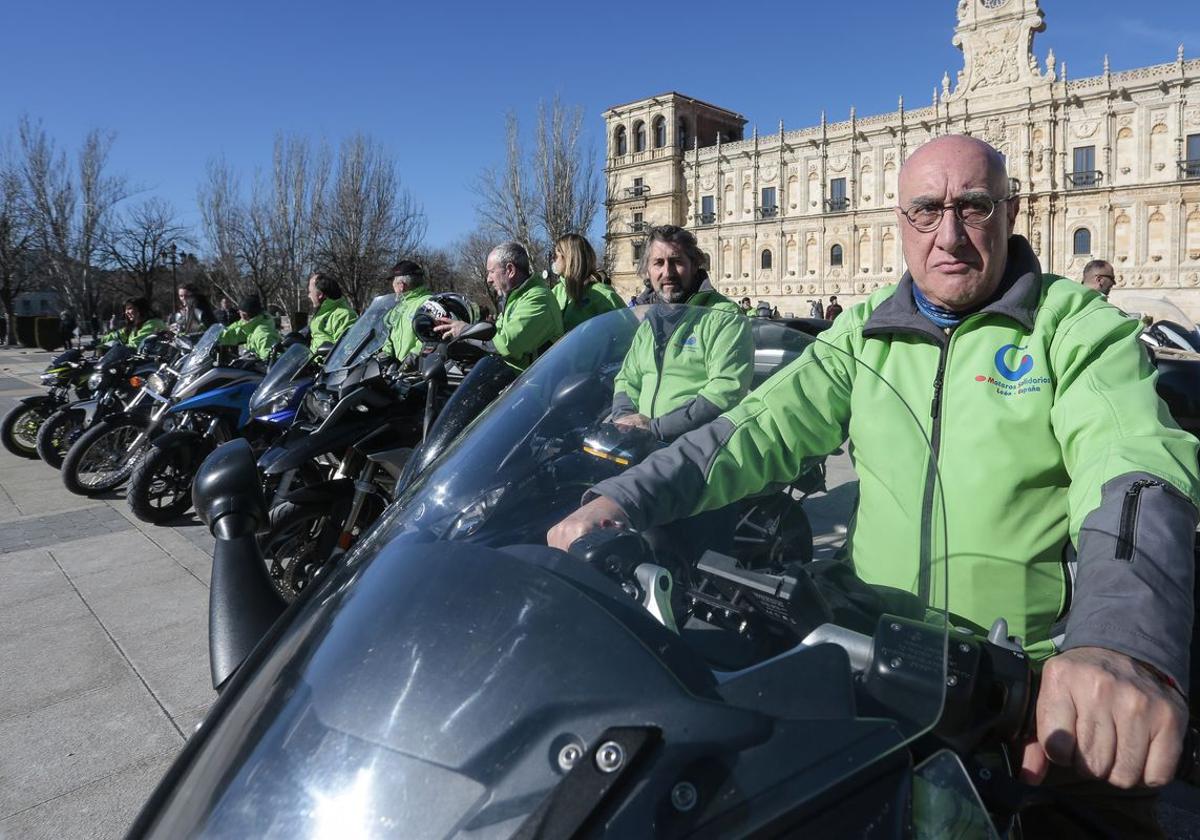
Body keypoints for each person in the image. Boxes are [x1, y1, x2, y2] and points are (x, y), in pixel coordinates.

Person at [550, 135, 1200, 833]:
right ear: (899, 222)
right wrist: (623, 498)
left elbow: (1132, 464)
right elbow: (757, 428)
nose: (949, 235)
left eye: (973, 207)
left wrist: (1119, 642)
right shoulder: (863, 333)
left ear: (1010, 212)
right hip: (866, 659)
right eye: (926, 210)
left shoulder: (1073, 327)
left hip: (1027, 692)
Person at [609, 224, 752, 443]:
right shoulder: (650, 322)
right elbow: (627, 378)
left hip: (696, 450)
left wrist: (657, 428)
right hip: (643, 444)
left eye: (676, 261)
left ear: (694, 265)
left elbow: (726, 390)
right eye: (658, 263)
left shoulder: (723, 316)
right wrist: (624, 419)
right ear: (648, 270)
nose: (668, 272)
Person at [435, 241, 563, 371]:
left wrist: (464, 331)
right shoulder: (516, 299)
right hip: (517, 384)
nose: (488, 279)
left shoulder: (538, 298)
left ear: (510, 270)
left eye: (491, 272)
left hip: (533, 386)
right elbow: (494, 334)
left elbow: (506, 344)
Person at [550, 234, 621, 332]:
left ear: (569, 258)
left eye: (555, 255)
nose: (553, 260)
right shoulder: (556, 292)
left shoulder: (602, 294)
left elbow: (627, 332)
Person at [381, 260, 434, 362]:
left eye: (393, 283)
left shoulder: (429, 304)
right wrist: (386, 355)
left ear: (401, 285)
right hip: (396, 374)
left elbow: (431, 338)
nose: (393, 287)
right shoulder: (397, 309)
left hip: (420, 372)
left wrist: (414, 357)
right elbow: (388, 335)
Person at [218, 295, 280, 361]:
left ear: (244, 315)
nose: (238, 313)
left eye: (240, 312)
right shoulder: (252, 323)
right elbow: (237, 330)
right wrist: (218, 337)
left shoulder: (263, 335)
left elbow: (274, 361)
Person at [306, 273, 357, 352]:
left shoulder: (343, 315)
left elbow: (346, 349)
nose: (309, 296)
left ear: (320, 294)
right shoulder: (322, 314)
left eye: (310, 292)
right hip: (314, 362)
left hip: (327, 363)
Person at [101, 297, 168, 348]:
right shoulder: (135, 326)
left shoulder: (153, 324)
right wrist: (97, 342)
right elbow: (116, 335)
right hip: (137, 363)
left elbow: (136, 345)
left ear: (140, 309)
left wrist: (115, 349)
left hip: (152, 364)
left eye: (129, 308)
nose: (126, 312)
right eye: (125, 310)